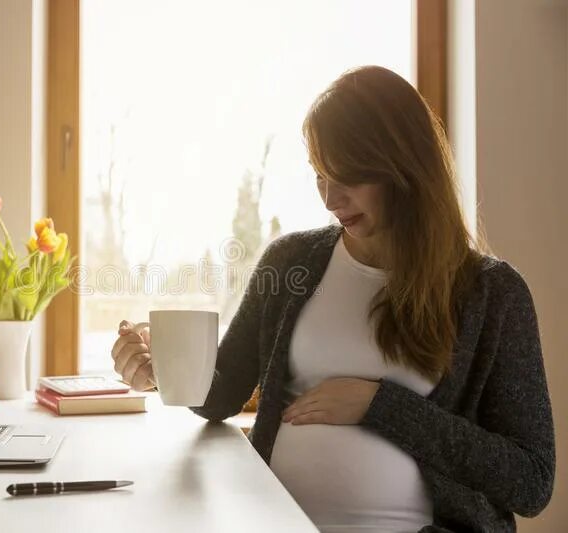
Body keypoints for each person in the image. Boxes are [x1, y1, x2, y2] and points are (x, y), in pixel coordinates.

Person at [110, 66, 555, 532]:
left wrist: (379, 405)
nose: (330, 199)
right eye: (320, 175)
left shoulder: (493, 293)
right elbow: (221, 394)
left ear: (405, 167)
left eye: (349, 177)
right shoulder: (290, 262)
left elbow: (531, 481)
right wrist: (162, 369)